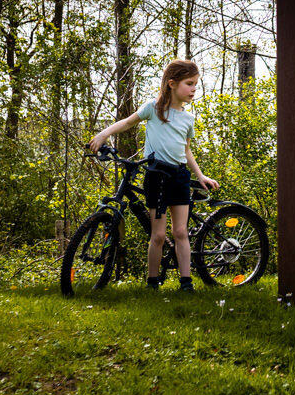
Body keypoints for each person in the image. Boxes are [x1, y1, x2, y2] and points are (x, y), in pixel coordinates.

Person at [88, 59, 219, 291]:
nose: (193, 89)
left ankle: (186, 282)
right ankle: (152, 282)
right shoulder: (153, 108)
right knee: (157, 235)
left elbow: (186, 150)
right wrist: (102, 135)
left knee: (180, 231)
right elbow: (128, 122)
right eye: (189, 84)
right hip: (155, 177)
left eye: (195, 85)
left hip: (178, 176)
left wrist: (200, 176)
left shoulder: (188, 119)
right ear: (171, 84)